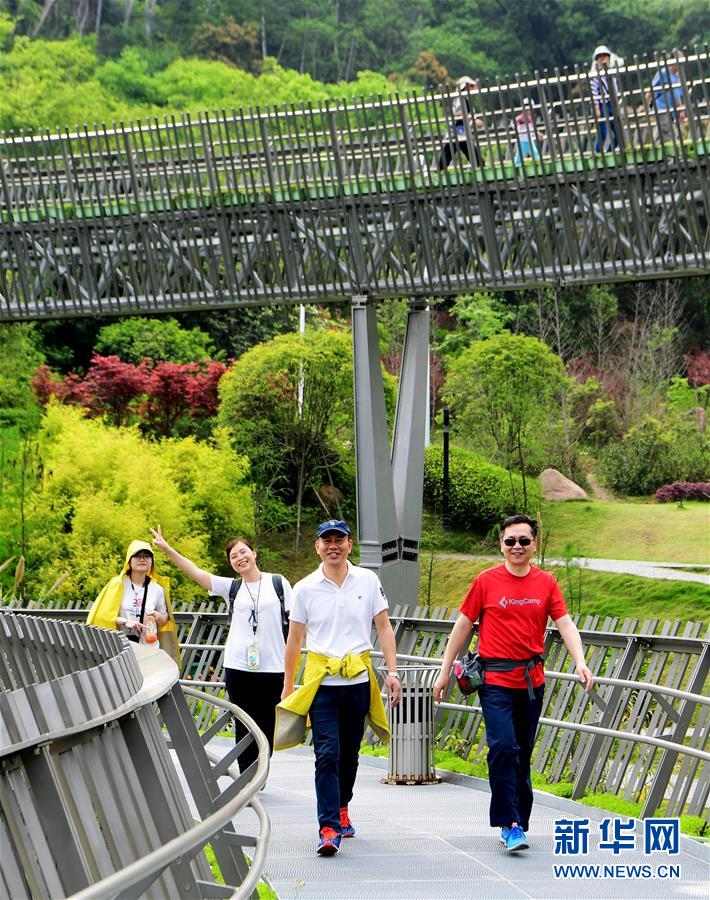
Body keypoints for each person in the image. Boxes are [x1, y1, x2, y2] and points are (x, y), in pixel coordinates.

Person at [432, 514, 594, 853]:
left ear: (534, 543)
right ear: (501, 544)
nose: (516, 546)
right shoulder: (486, 581)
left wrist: (580, 660)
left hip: (531, 682)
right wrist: (444, 671)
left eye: (523, 541)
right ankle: (509, 822)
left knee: (521, 751)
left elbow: (565, 623)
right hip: (494, 681)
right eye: (510, 541)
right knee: (504, 747)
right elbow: (462, 626)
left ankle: (519, 818)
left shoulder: (546, 582)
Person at [276, 519, 401, 856]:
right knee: (326, 755)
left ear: (349, 545)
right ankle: (328, 827)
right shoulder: (305, 588)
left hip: (358, 681)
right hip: (323, 684)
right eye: (326, 540)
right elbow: (294, 639)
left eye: (339, 540)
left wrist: (392, 672)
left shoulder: (368, 580)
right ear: (317, 546)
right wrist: (288, 684)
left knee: (349, 755)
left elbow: (384, 627)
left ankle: (342, 806)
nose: (333, 545)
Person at [150, 525, 292, 775]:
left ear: (254, 553)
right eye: (234, 556)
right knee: (243, 721)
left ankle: (261, 770)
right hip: (238, 666)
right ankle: (247, 776)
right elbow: (195, 572)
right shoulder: (232, 587)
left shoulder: (278, 583)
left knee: (268, 722)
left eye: (243, 552)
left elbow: (295, 622)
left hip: (273, 665)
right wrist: (167, 549)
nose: (240, 558)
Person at [86, 539, 180, 664]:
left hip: (149, 648)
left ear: (152, 561)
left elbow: (164, 620)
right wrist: (126, 622)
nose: (142, 559)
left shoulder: (157, 588)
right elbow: (101, 616)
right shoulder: (117, 584)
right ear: (129, 560)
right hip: (121, 648)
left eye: (146, 556)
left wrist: (157, 616)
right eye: (137, 556)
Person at [437, 75, 485, 170]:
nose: (473, 88)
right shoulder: (460, 99)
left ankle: (440, 172)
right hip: (458, 131)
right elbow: (459, 113)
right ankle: (481, 169)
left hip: (461, 132)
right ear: (465, 87)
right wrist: (474, 119)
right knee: (472, 155)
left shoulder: (463, 98)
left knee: (447, 156)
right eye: (471, 86)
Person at [643, 52, 686, 145]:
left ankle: (656, 149)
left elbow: (677, 95)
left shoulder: (677, 76)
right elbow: (650, 90)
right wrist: (645, 107)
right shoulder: (663, 73)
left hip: (671, 110)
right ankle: (671, 151)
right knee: (667, 131)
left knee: (661, 132)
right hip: (661, 108)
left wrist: (681, 110)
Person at [589, 45, 623, 152]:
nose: (603, 58)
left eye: (605, 56)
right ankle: (598, 154)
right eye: (600, 56)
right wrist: (596, 109)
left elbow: (621, 62)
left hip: (610, 103)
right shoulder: (594, 74)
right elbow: (594, 93)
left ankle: (609, 152)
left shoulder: (611, 71)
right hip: (600, 105)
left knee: (618, 133)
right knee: (602, 133)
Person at [514, 100, 541, 166]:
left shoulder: (529, 118)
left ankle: (538, 166)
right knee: (519, 157)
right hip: (522, 141)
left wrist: (538, 134)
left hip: (529, 140)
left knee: (536, 155)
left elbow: (532, 128)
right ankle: (517, 168)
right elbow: (515, 125)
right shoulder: (520, 118)